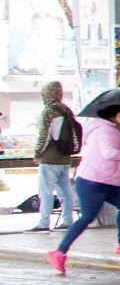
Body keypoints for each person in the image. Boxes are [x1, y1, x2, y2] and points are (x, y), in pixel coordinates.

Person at [47, 104, 120, 275]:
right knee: (87, 217)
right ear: (112, 117)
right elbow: (110, 153)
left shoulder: (113, 130)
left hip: (110, 180)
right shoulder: (105, 131)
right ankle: (59, 252)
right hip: (93, 182)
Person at [30, 80, 80, 233]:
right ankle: (68, 221)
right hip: (65, 158)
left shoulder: (49, 111)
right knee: (64, 191)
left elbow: (44, 136)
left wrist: (37, 152)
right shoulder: (66, 110)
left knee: (45, 191)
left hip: (50, 158)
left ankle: (44, 223)